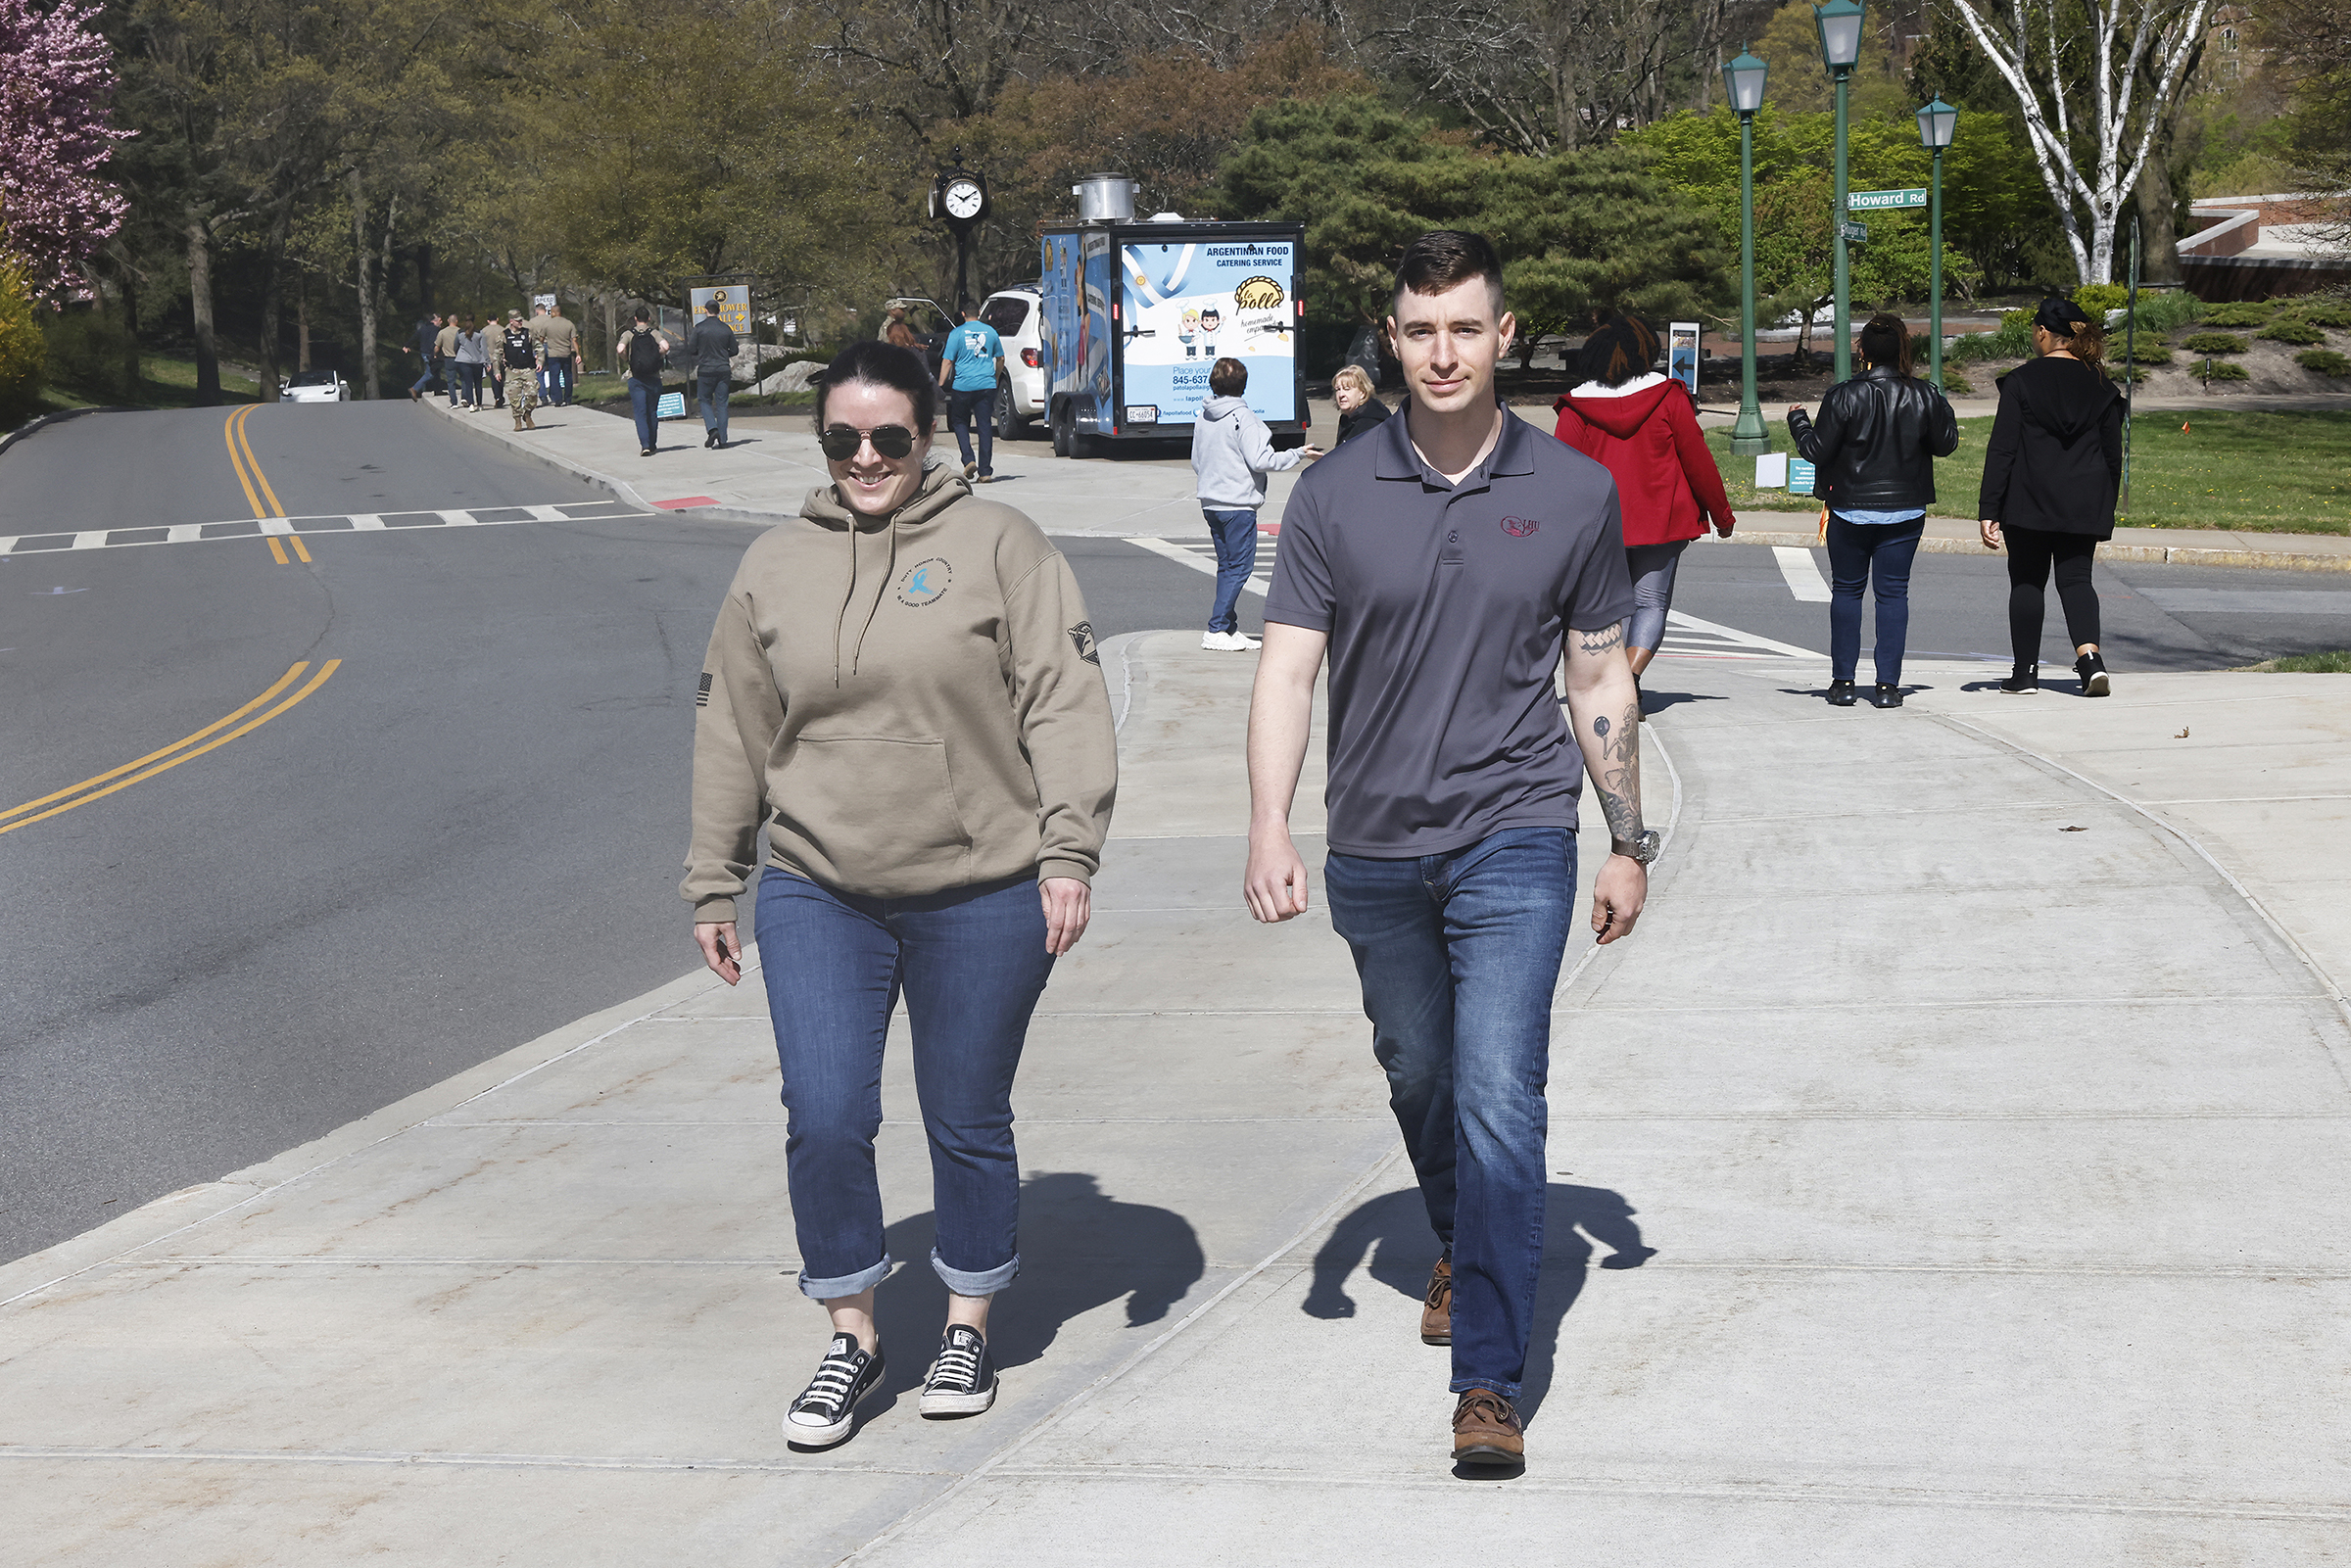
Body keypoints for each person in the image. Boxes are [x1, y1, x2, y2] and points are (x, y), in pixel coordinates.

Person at [1244, 230, 1652, 1472]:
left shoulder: (1573, 491)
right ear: (1393, 337)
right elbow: (1288, 671)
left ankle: (1488, 1379)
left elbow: (1599, 675)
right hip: (1374, 842)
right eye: (1420, 331)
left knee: (1497, 1091)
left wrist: (1627, 838)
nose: (1442, 353)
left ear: (1503, 334)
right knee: (1419, 1071)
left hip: (1516, 832)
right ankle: (1459, 1233)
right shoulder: (1333, 492)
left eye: (1465, 328)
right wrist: (1268, 822)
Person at [683, 338, 1118, 1450]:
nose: (866, 457)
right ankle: (853, 1332)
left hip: (982, 886)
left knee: (964, 1114)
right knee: (826, 1114)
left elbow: (1063, 700)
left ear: (929, 434)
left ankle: (966, 1323)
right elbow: (732, 725)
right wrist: (715, 878)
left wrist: (1068, 853)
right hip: (818, 886)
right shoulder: (774, 562)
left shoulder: (1001, 543)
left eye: (888, 437)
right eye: (843, 438)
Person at [1553, 317, 1735, 712]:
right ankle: (1631, 677)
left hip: (1599, 526)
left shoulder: (1576, 406)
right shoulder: (1669, 396)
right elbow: (1698, 460)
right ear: (1648, 352)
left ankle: (1612, 682)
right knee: (1651, 603)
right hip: (1662, 519)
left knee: (1606, 610)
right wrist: (1722, 516)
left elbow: (1560, 473)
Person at [1787, 312, 1959, 709]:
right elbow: (1946, 444)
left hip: (1850, 508)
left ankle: (1843, 683)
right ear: (1902, 351)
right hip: (1905, 509)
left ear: (1862, 351)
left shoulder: (1844, 395)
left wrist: (1798, 421)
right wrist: (1941, 404)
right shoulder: (1924, 394)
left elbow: (1815, 451)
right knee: (1893, 594)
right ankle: (1887, 687)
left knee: (1847, 591)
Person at [1977, 297, 2124, 696]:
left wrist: (1989, 507)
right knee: (2076, 580)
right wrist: (2105, 503)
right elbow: (2113, 455)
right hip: (2084, 500)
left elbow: (2002, 449)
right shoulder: (2101, 385)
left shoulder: (2021, 381)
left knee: (2027, 580)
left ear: (2043, 332)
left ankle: (2025, 673)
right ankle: (2090, 661)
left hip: (2028, 499)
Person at [1191, 357, 1320, 652]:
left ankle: (1228, 627)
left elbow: (1197, 460)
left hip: (1211, 502)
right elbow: (1261, 460)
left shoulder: (1204, 416)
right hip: (1238, 504)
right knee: (1239, 568)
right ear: (1243, 385)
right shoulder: (1244, 418)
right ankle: (1216, 628)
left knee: (1227, 566)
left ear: (1213, 383)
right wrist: (1298, 453)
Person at [937, 303, 1004, 482]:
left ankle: (968, 459)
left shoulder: (957, 333)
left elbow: (947, 361)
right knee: (984, 425)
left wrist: (940, 384)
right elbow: (1000, 358)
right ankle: (985, 471)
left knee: (959, 422)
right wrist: (996, 376)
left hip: (963, 386)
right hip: (986, 384)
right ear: (979, 313)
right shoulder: (990, 332)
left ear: (963, 314)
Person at [614, 308, 671, 457]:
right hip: (653, 377)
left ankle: (644, 445)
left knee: (640, 412)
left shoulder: (629, 334)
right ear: (649, 319)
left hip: (636, 378)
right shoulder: (654, 333)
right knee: (652, 411)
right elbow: (666, 346)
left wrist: (627, 359)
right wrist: (657, 356)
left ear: (635, 318)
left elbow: (620, 349)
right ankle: (652, 443)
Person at [691, 297, 739, 450]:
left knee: (704, 400)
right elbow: (734, 350)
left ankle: (712, 429)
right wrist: (723, 354)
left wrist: (702, 352)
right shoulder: (726, 329)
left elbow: (691, 349)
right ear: (719, 311)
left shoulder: (699, 328)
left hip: (705, 369)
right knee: (722, 404)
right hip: (723, 369)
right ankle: (723, 440)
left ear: (706, 311)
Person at [532, 303, 580, 406]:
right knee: (568, 376)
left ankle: (558, 399)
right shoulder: (569, 324)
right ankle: (568, 398)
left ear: (553, 313)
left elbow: (541, 339)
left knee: (554, 376)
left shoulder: (547, 324)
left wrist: (538, 351)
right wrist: (578, 354)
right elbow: (574, 340)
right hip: (566, 354)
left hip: (553, 354)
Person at [501, 309, 540, 432]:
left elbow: (539, 347)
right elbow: (497, 353)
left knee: (533, 394)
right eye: (518, 321)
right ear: (511, 321)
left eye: (521, 320)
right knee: (514, 398)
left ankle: (527, 414)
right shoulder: (504, 335)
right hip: (512, 370)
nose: (520, 322)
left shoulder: (528, 333)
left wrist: (540, 361)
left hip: (528, 369)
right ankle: (517, 420)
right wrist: (497, 371)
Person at [1331, 364, 1390, 446]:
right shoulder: (1346, 418)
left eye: (1347, 389)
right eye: (1338, 389)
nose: (1341, 395)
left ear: (1362, 392)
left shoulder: (1370, 423)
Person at [451, 314, 489, 410]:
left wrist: (458, 354)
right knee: (478, 383)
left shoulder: (460, 333)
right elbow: (484, 348)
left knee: (468, 383)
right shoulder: (479, 333)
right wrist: (487, 361)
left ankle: (471, 404)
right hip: (477, 360)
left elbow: (455, 346)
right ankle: (479, 403)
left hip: (464, 360)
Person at [406, 311, 442, 403]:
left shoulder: (423, 328)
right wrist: (434, 353)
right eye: (440, 320)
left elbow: (415, 337)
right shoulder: (435, 329)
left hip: (424, 353)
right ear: (435, 321)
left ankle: (438, 390)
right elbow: (433, 342)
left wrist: (407, 345)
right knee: (430, 373)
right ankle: (414, 388)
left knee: (436, 371)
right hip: (430, 353)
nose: (441, 322)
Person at [434, 313, 462, 406]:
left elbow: (437, 346)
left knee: (451, 381)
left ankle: (454, 402)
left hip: (449, 358)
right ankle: (465, 398)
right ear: (456, 321)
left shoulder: (442, 332)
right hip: (461, 358)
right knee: (464, 379)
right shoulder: (460, 332)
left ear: (448, 321)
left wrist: (435, 354)